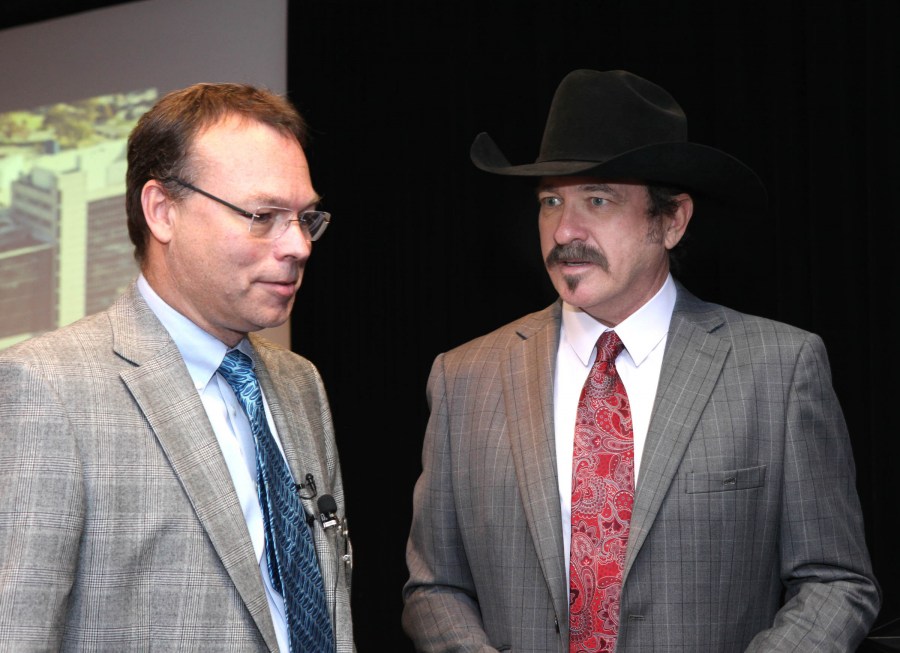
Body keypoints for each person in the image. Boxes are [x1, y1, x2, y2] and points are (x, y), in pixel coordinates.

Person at [402, 69, 880, 652]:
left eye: (598, 200)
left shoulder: (778, 370)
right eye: (551, 201)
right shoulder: (465, 378)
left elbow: (834, 582)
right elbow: (434, 586)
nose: (564, 230)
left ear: (672, 220)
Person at [0, 83, 354, 652]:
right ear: (163, 212)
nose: (298, 246)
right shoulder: (47, 388)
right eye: (263, 215)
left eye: (305, 217)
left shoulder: (299, 383)